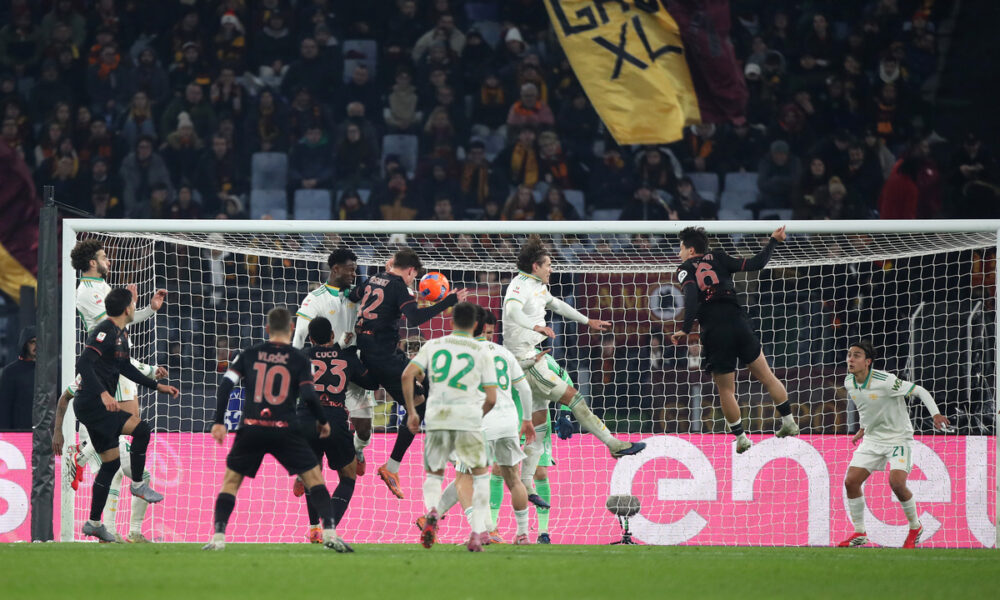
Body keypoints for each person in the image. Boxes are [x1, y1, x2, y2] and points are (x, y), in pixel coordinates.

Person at [503, 235, 645, 506]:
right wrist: (535, 328)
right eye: (548, 264)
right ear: (535, 266)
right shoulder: (519, 286)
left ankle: (528, 484)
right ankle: (613, 444)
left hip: (536, 357)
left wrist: (586, 320)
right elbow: (512, 312)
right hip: (527, 359)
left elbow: (556, 304)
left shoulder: (536, 285)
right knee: (574, 398)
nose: (551, 269)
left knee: (540, 427)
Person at [204, 308, 351, 553]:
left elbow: (225, 385)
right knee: (315, 479)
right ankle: (330, 534)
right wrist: (322, 420)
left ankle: (218, 538)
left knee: (230, 482)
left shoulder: (248, 354)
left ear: (267, 329)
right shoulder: (298, 358)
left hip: (251, 428)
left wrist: (218, 421)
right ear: (292, 329)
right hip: (285, 429)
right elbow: (308, 394)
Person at [56, 239, 168, 543]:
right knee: (133, 442)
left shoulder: (102, 288)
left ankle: (114, 527)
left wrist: (147, 309)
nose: (110, 261)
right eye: (105, 257)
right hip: (110, 372)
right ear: (92, 262)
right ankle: (83, 453)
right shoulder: (88, 292)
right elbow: (109, 333)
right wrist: (146, 369)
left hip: (117, 366)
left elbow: (121, 323)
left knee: (118, 461)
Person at [349, 247, 469, 498]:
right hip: (384, 357)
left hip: (375, 352)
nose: (413, 281)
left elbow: (352, 294)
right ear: (412, 271)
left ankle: (443, 448)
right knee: (421, 404)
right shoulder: (398, 287)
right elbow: (414, 318)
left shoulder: (373, 279)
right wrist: (448, 301)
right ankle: (395, 466)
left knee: (430, 383)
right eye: (414, 277)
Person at [671, 226, 798, 453]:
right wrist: (773, 241)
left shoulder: (683, 269)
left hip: (715, 329)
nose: (678, 252)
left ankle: (741, 438)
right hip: (738, 320)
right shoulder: (719, 257)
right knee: (767, 376)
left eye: (680, 248)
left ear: (690, 251)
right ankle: (789, 421)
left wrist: (685, 328)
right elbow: (756, 264)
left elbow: (691, 297)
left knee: (726, 390)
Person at [417, 307, 538, 546]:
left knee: (464, 477)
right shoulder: (504, 353)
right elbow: (524, 389)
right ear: (486, 329)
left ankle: (481, 530)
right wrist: (527, 420)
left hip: (479, 422)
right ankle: (523, 534)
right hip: (508, 423)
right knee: (514, 479)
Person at [67, 287, 178, 542]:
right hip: (93, 403)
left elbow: (126, 367)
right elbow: (83, 363)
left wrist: (157, 386)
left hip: (91, 405)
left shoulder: (121, 333)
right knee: (142, 429)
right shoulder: (105, 331)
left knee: (112, 464)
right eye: (134, 304)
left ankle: (94, 523)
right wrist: (105, 395)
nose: (134, 306)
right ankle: (138, 483)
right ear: (127, 309)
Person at [402, 302, 498, 552]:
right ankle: (478, 534)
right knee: (479, 476)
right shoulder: (481, 351)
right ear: (477, 325)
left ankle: (433, 512)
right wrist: (479, 415)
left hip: (437, 417)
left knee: (435, 475)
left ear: (451, 321)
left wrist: (412, 413)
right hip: (467, 418)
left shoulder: (434, 345)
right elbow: (491, 397)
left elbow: (406, 375)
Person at [839, 340, 951, 548]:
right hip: (873, 439)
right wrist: (863, 428)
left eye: (856, 355)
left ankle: (915, 526)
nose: (850, 359)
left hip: (898, 438)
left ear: (867, 362)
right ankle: (860, 533)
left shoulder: (886, 381)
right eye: (849, 355)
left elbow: (921, 391)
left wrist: (935, 414)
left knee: (897, 483)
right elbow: (865, 407)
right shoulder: (849, 382)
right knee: (851, 482)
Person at [292, 249, 376, 476]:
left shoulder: (359, 294)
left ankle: (358, 451)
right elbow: (300, 335)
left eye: (355, 269)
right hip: (323, 372)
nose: (354, 272)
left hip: (353, 367)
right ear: (336, 269)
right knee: (316, 427)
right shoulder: (315, 299)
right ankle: (306, 472)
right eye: (350, 269)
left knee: (365, 429)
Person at [295, 317, 379, 543]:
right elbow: (372, 383)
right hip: (334, 419)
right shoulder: (348, 357)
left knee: (313, 475)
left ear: (310, 339)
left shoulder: (301, 357)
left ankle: (313, 528)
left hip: (305, 419)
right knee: (348, 477)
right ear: (332, 335)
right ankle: (328, 528)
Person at [0, 327, 35, 430]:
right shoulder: (10, 372)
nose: (36, 345)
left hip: (48, 433)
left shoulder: (52, 371)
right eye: (32, 342)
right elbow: (5, 407)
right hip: (19, 434)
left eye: (39, 342)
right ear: (25, 344)